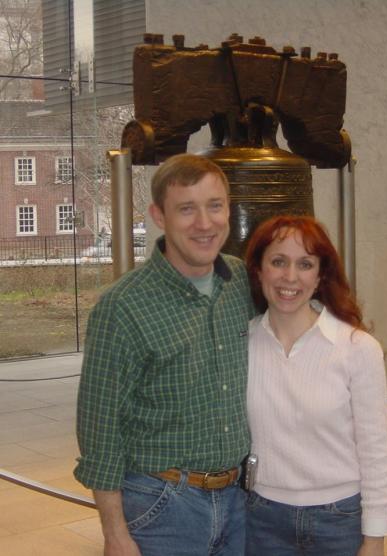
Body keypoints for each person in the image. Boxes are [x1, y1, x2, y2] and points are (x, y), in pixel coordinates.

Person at [74, 154, 253, 556]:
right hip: (161, 508)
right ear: (159, 215)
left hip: (239, 501)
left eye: (214, 206)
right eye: (186, 209)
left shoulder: (241, 280)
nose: (204, 224)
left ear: (229, 208)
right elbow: (99, 428)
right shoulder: (123, 306)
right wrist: (115, 534)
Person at [244, 215, 387, 556]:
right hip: (261, 519)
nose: (290, 277)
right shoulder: (243, 342)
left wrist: (374, 538)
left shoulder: (357, 348)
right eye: (278, 261)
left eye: (305, 264)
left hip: (340, 520)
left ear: (320, 275)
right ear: (259, 269)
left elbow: (375, 452)